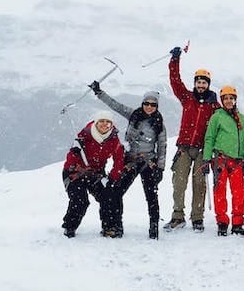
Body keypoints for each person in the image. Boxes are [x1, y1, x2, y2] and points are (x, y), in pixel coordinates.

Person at [90, 82, 167, 240]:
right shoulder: (134, 115)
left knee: (151, 196)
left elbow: (162, 147)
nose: (149, 107)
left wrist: (160, 168)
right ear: (142, 103)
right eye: (147, 103)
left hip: (148, 162)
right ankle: (116, 226)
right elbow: (115, 105)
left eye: (153, 104)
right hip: (130, 160)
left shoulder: (159, 124)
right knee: (116, 191)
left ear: (157, 106)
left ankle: (154, 229)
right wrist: (99, 92)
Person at [166, 45, 220, 232]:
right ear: (195, 83)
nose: (201, 85)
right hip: (184, 147)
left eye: (204, 82)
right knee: (179, 182)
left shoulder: (215, 105)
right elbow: (175, 82)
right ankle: (177, 216)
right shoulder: (187, 97)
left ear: (208, 84)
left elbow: (222, 126)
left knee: (199, 184)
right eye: (198, 82)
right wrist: (175, 60)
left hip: (202, 150)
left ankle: (197, 218)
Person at [61, 110, 125, 238]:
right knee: (80, 200)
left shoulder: (113, 138)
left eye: (108, 122)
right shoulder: (84, 135)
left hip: (95, 174)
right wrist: (77, 164)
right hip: (75, 173)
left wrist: (113, 177)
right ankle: (69, 227)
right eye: (101, 121)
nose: (104, 124)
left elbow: (119, 159)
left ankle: (110, 227)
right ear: (96, 122)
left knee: (109, 195)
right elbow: (71, 157)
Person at [202, 85, 244, 236]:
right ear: (222, 100)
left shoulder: (242, 118)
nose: (229, 101)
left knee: (238, 193)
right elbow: (209, 138)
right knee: (220, 192)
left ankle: (237, 223)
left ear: (235, 100)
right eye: (226, 98)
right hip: (221, 160)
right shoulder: (217, 116)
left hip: (237, 162)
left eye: (231, 98)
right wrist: (206, 158)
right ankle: (222, 222)